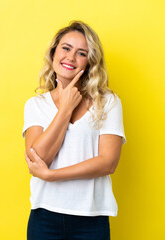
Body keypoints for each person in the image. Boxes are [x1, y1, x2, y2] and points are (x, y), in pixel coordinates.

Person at [22, 20, 126, 240]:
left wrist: (52, 175)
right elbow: (37, 158)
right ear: (53, 53)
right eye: (66, 48)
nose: (70, 57)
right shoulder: (36, 104)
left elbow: (108, 162)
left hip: (91, 219)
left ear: (89, 63)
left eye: (81, 53)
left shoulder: (108, 102)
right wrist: (66, 108)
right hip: (44, 217)